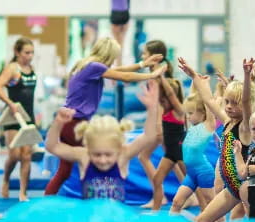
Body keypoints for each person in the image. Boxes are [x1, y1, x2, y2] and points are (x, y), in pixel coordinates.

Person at [44, 37, 165, 195]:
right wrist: (151, 75)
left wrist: (143, 65)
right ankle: (99, 190)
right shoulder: (94, 66)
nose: (114, 61)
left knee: (65, 171)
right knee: (95, 158)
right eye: (113, 57)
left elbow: (119, 71)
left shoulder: (87, 65)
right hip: (74, 122)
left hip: (71, 122)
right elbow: (124, 77)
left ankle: (49, 198)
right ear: (108, 55)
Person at [178, 57, 255, 222]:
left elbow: (246, 102)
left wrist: (246, 76)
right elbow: (208, 100)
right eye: (227, 102)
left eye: (234, 103)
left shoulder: (245, 127)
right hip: (232, 188)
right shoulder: (226, 121)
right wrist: (194, 76)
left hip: (247, 186)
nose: (229, 107)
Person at [45, 79, 159, 202]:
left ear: (119, 148)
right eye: (97, 154)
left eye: (108, 155)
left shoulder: (122, 155)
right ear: (88, 148)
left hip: (116, 218)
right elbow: (53, 147)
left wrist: (152, 110)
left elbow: (149, 136)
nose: (103, 160)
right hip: (91, 219)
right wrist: (58, 123)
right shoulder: (84, 156)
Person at [137, 40, 189, 209]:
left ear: (154, 57)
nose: (142, 56)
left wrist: (157, 128)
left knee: (145, 156)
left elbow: (162, 105)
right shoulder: (159, 76)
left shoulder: (158, 79)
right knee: (174, 160)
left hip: (163, 127)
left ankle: (161, 194)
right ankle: (190, 195)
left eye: (145, 53)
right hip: (165, 126)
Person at [0, 37, 37, 202]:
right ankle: (6, 179)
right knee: (15, 155)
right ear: (17, 52)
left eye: (32, 52)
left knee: (26, 155)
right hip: (13, 117)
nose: (30, 56)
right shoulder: (13, 68)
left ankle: (22, 192)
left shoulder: (31, 68)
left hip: (28, 117)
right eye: (26, 52)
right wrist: (10, 103)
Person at [169, 78, 217, 214]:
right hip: (191, 174)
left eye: (190, 113)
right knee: (176, 202)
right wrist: (194, 80)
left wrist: (205, 86)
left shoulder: (208, 125)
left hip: (203, 172)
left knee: (213, 205)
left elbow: (207, 102)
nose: (187, 117)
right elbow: (193, 99)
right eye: (187, 113)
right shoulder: (192, 126)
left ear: (202, 113)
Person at [110, 0, 131, 66]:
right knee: (121, 42)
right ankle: (119, 63)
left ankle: (118, 63)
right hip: (125, 13)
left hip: (116, 13)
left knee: (117, 42)